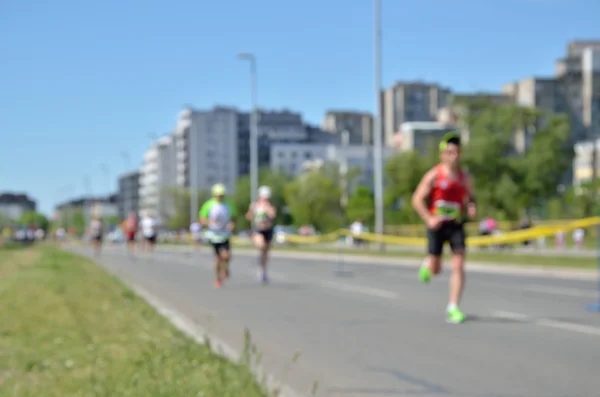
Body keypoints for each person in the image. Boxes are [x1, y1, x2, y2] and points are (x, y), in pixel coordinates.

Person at [411, 131, 476, 324]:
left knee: (458, 264)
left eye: (456, 152)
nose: (453, 156)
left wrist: (471, 206)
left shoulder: (465, 177)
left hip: (455, 225)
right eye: (449, 152)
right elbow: (416, 199)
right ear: (442, 155)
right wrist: (429, 218)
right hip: (437, 226)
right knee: (436, 269)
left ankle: (453, 306)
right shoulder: (433, 175)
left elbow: (471, 197)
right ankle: (428, 264)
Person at [199, 183, 237, 288]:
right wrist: (210, 221)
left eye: (221, 195)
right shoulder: (208, 205)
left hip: (224, 234)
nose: (219, 197)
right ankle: (217, 278)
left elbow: (234, 218)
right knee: (217, 259)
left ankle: (225, 268)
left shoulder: (229, 205)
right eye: (217, 195)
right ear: (213, 195)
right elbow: (202, 220)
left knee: (226, 256)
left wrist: (232, 225)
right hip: (213, 235)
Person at [246, 185, 277, 284]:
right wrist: (252, 213)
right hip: (258, 229)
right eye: (263, 196)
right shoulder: (254, 205)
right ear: (260, 196)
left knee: (265, 252)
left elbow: (273, 216)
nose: (265, 198)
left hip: (268, 230)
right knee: (261, 245)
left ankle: (263, 270)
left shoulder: (270, 206)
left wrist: (267, 210)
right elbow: (248, 216)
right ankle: (260, 264)